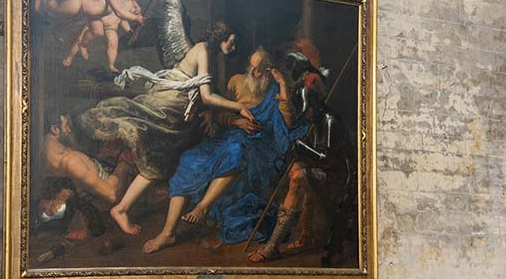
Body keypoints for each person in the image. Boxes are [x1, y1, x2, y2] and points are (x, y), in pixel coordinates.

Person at [76, 22, 255, 236]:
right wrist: (239, 106)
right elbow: (206, 96)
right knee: (156, 159)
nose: (233, 48)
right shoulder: (203, 49)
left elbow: (203, 96)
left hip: (176, 113)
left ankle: (122, 208)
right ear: (222, 37)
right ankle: (121, 208)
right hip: (169, 107)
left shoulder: (209, 53)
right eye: (232, 42)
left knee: (157, 161)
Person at [142, 48, 304, 254]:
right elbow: (219, 116)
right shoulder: (236, 82)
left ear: (269, 70)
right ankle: (167, 233)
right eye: (251, 68)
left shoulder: (275, 89)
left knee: (236, 151)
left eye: (259, 70)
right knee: (189, 158)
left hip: (261, 145)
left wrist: (282, 84)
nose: (253, 73)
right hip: (231, 135)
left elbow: (288, 123)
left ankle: (203, 206)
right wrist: (236, 121)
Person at [247, 41, 354, 264]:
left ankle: (273, 247)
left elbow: (326, 157)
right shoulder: (308, 112)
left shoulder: (330, 120)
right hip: (320, 166)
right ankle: (299, 238)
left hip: (338, 177)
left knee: (297, 175)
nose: (306, 114)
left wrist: (300, 148)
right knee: (297, 171)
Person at [34, 0, 145, 72]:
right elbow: (119, 12)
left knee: (98, 32)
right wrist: (136, 17)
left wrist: (136, 8)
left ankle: (83, 45)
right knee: (57, 9)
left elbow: (124, 9)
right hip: (80, 3)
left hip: (93, 16)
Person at [41, 111, 132, 204]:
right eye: (66, 126)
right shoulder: (70, 161)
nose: (69, 130)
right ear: (54, 129)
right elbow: (111, 195)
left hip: (99, 174)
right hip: (109, 186)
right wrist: (124, 162)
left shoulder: (47, 153)